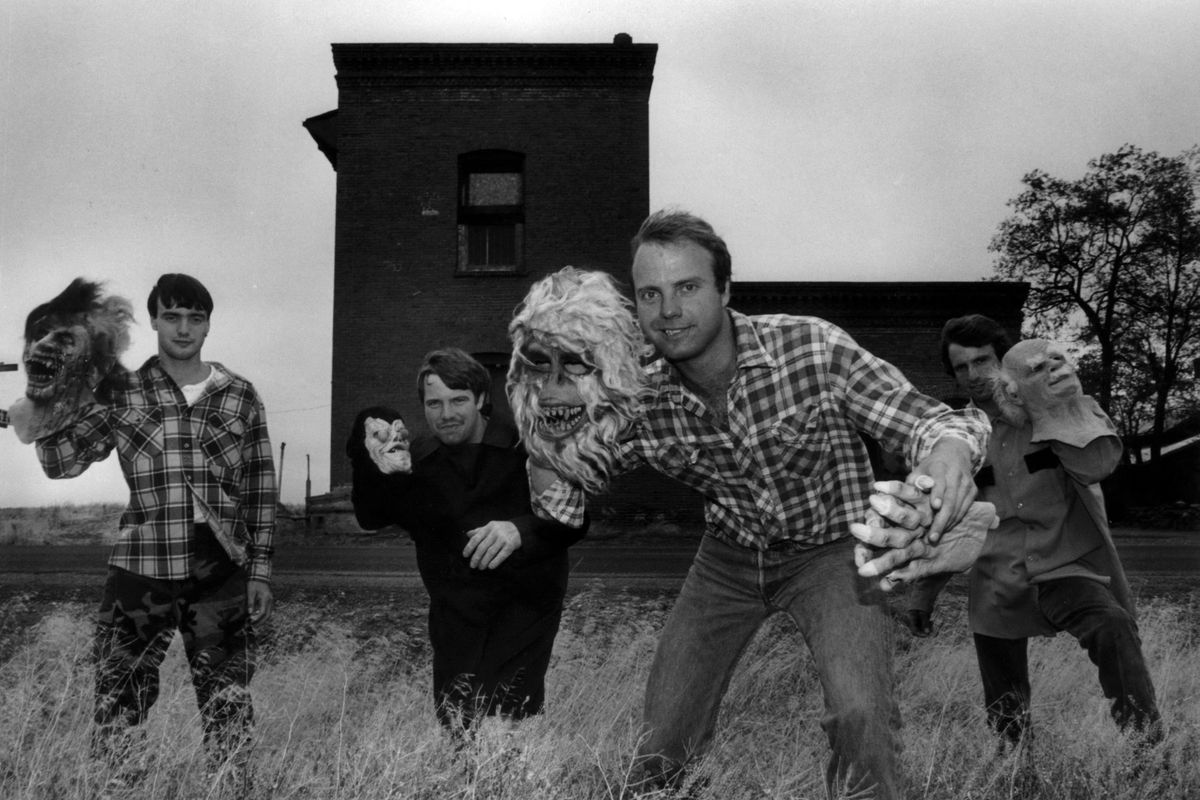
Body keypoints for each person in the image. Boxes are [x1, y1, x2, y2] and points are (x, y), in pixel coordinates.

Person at [529, 210, 989, 800]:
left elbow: (929, 422)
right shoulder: (633, 392)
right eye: (651, 294)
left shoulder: (811, 347)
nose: (668, 310)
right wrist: (543, 438)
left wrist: (948, 455)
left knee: (861, 719)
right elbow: (568, 491)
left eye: (688, 287)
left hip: (836, 553)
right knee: (664, 735)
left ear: (725, 289)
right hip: (727, 560)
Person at [20, 273, 276, 790]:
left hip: (219, 565)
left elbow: (260, 488)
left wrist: (260, 572)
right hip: (141, 564)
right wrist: (44, 394)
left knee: (228, 701)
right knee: (119, 696)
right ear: (154, 319)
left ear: (208, 325)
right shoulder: (123, 391)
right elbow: (60, 464)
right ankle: (117, 788)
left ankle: (234, 789)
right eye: (172, 316)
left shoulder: (240, 395)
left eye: (195, 318)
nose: (184, 328)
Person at [923, 314, 1160, 746]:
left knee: (1112, 626)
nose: (974, 375)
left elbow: (1097, 466)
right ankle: (1016, 768)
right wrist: (922, 596)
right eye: (962, 367)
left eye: (984, 361)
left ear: (1005, 363)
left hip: (1064, 566)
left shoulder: (1056, 406)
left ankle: (1144, 744)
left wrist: (1052, 409)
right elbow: (943, 519)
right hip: (996, 578)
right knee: (1006, 711)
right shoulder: (959, 439)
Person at [347, 348, 586, 732]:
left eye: (458, 400)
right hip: (455, 615)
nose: (447, 414)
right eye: (434, 403)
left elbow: (575, 521)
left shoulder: (525, 446)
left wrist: (520, 530)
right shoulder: (419, 461)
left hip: (524, 608)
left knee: (506, 727)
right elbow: (371, 516)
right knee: (459, 728)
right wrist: (368, 456)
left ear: (480, 399)